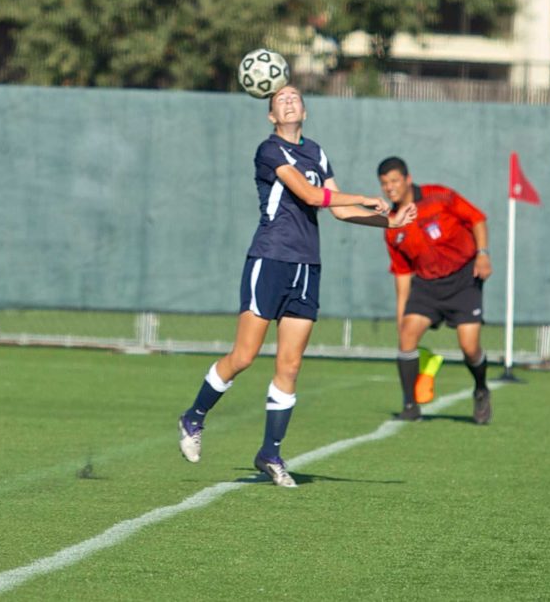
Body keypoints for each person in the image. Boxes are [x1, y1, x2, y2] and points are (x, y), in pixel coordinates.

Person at [177, 86, 417, 487]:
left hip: (307, 266)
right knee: (244, 356)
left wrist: (387, 223)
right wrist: (366, 197)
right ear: (272, 116)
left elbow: (338, 211)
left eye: (294, 97)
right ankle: (193, 417)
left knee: (290, 365)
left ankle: (270, 453)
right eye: (280, 100)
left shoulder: (317, 152)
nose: (288, 101)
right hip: (270, 260)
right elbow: (309, 194)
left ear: (304, 110)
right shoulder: (269, 151)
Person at [376, 156, 492, 424]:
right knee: (407, 337)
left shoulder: (439, 196)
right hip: (427, 286)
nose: (390, 187)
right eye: (384, 184)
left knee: (470, 347)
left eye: (394, 181)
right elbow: (403, 277)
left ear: (407, 179)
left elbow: (477, 219)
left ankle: (481, 389)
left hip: (464, 279)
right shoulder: (393, 226)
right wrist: (401, 318)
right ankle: (410, 405)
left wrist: (483, 253)